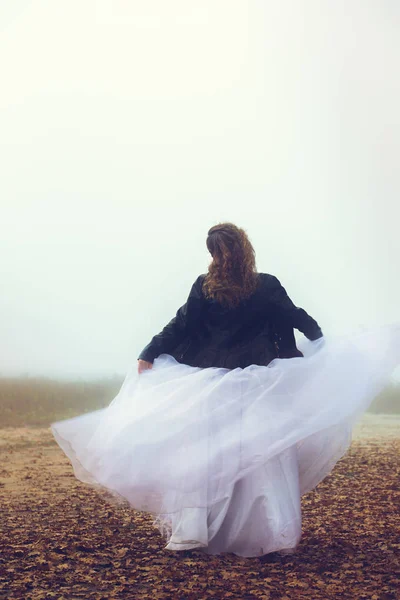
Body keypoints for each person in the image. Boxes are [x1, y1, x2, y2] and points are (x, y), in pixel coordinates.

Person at [51, 222, 400, 558]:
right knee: (233, 452)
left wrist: (322, 347)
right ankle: (230, 533)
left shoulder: (240, 285)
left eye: (223, 252)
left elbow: (285, 317)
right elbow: (192, 321)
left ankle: (238, 533)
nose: (222, 259)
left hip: (238, 381)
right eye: (218, 253)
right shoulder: (227, 286)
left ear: (229, 252)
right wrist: (150, 350)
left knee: (237, 454)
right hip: (235, 379)